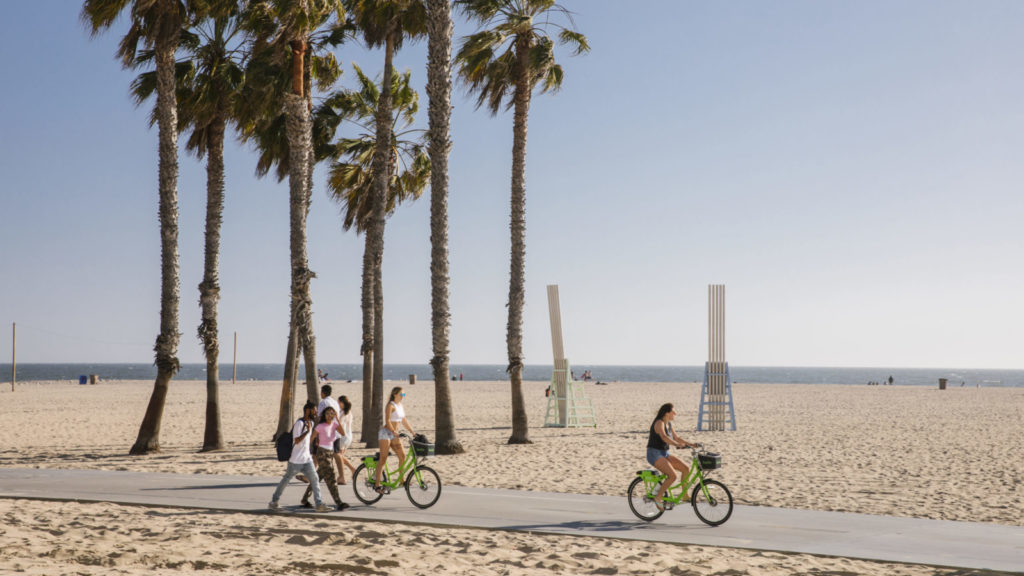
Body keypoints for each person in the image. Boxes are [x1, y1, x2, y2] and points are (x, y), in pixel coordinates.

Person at [269, 402, 330, 512]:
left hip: (307, 459)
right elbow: (296, 440)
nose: (316, 412)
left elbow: (307, 441)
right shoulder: (299, 423)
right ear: (308, 410)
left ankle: (319, 504)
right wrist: (307, 432)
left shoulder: (310, 422)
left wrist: (315, 440)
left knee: (315, 479)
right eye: (314, 410)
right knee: (286, 480)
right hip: (295, 460)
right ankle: (274, 501)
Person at [646, 403, 698, 511]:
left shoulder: (669, 424)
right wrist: (676, 445)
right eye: (673, 411)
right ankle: (658, 497)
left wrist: (692, 444)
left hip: (664, 453)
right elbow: (664, 437)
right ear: (666, 413)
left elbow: (677, 437)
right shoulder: (659, 423)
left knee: (685, 469)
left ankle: (685, 496)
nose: (675, 413)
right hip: (654, 453)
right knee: (673, 476)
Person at [301, 406, 350, 511]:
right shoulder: (321, 426)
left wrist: (337, 419)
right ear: (324, 415)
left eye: (332, 413)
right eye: (327, 413)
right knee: (331, 477)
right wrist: (307, 450)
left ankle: (304, 499)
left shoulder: (335, 425)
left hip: (330, 453)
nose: (329, 415)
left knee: (317, 478)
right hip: (322, 453)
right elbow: (311, 438)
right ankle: (339, 502)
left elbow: (343, 433)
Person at [375, 386, 416, 492]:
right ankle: (377, 485)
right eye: (401, 394)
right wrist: (393, 431)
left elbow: (403, 420)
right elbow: (387, 420)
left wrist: (412, 431)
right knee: (383, 458)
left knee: (402, 456)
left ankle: (402, 481)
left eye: (404, 395)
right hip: (386, 433)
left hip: (395, 434)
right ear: (395, 394)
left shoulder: (400, 406)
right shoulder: (390, 405)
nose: (403, 396)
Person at [335, 395, 358, 484]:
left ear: (342, 403)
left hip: (343, 437)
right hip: (349, 436)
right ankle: (352, 470)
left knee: (338, 456)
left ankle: (343, 477)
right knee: (340, 456)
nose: (337, 404)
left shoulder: (342, 413)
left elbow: (339, 425)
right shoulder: (349, 412)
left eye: (338, 402)